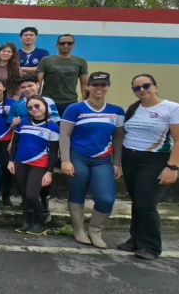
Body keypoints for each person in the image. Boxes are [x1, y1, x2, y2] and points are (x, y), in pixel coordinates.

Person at [117, 74, 179, 260]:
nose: (142, 90)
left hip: (155, 160)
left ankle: (151, 246)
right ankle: (135, 240)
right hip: (131, 159)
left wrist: (173, 167)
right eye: (137, 88)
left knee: (146, 204)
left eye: (146, 85)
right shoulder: (133, 109)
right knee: (138, 202)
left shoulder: (173, 109)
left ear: (156, 87)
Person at [60, 72, 126, 248]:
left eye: (103, 85)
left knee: (106, 198)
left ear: (108, 87)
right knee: (77, 193)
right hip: (78, 157)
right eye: (95, 85)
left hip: (102, 160)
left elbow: (118, 139)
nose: (99, 88)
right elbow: (64, 135)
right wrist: (65, 160)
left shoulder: (117, 111)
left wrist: (117, 163)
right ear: (87, 87)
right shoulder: (75, 109)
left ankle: (96, 231)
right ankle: (79, 229)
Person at [7, 95, 60, 235]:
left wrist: (49, 172)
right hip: (20, 163)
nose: (34, 109)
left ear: (45, 107)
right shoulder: (22, 122)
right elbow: (15, 143)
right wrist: (11, 161)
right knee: (24, 194)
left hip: (39, 165)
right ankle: (27, 221)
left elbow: (54, 153)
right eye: (30, 107)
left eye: (37, 106)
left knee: (32, 194)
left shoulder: (53, 127)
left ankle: (41, 221)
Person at [36, 34, 88, 115]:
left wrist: (86, 102)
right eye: (62, 43)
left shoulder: (81, 61)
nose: (66, 45)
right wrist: (36, 100)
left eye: (69, 43)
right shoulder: (46, 60)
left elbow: (84, 84)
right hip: (48, 101)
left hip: (70, 102)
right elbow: (37, 83)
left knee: (69, 126)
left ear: (74, 45)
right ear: (56, 45)